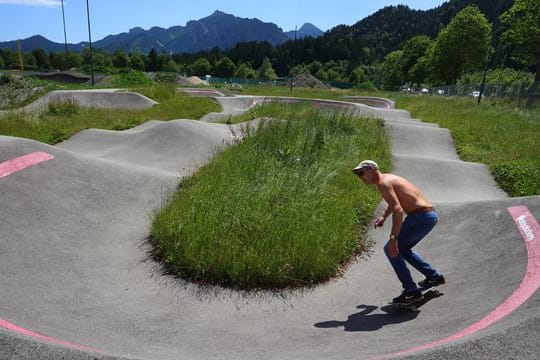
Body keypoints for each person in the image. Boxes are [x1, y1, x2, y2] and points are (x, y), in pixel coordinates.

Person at [353, 160, 445, 303]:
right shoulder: (388, 178)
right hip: (428, 216)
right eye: (358, 174)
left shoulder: (383, 184)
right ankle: (433, 277)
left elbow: (398, 209)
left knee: (391, 249)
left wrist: (393, 237)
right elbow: (396, 202)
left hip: (419, 217)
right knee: (403, 249)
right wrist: (384, 216)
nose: (360, 177)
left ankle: (411, 291)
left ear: (372, 170)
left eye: (361, 173)